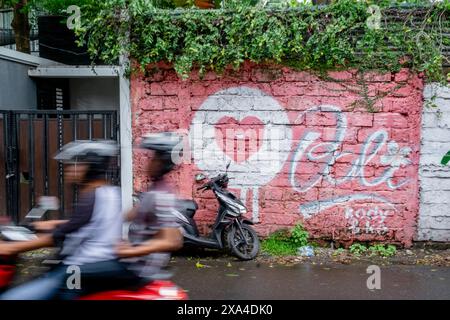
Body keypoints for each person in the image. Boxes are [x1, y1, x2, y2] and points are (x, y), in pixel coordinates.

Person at [0, 140, 123, 300]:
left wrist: (10, 248)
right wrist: (40, 225)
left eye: (72, 165)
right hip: (98, 262)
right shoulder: (110, 192)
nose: (68, 171)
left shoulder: (91, 197)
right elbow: (90, 224)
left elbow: (58, 236)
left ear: (88, 167)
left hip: (79, 267)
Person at [115, 132, 183, 281]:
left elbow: (172, 240)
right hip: (134, 260)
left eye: (153, 159)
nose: (149, 163)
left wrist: (130, 251)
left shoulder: (161, 195)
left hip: (141, 267)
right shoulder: (153, 190)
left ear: (161, 163)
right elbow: (130, 216)